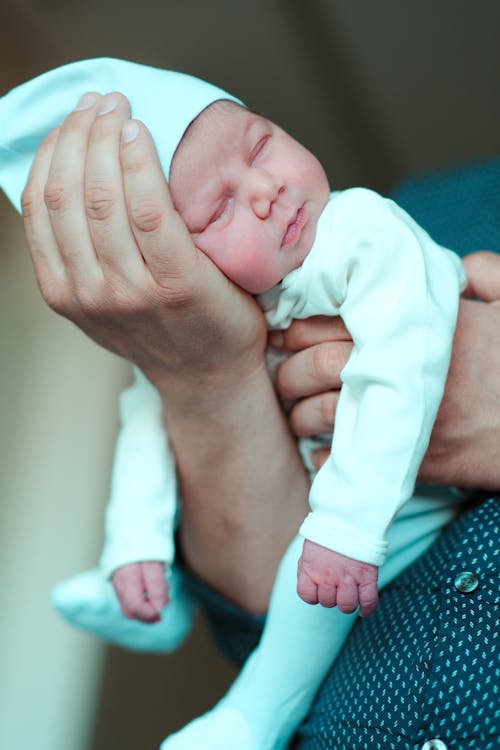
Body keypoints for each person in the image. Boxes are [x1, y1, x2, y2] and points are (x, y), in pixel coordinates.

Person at [1, 60, 498, 750]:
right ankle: (146, 582)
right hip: (328, 515)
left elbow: (400, 367)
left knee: (306, 578)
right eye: (218, 209)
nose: (265, 190)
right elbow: (149, 421)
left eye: (260, 145)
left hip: (395, 501)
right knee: (154, 410)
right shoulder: (236, 308)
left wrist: (346, 529)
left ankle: (253, 713)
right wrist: (136, 540)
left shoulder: (364, 232)